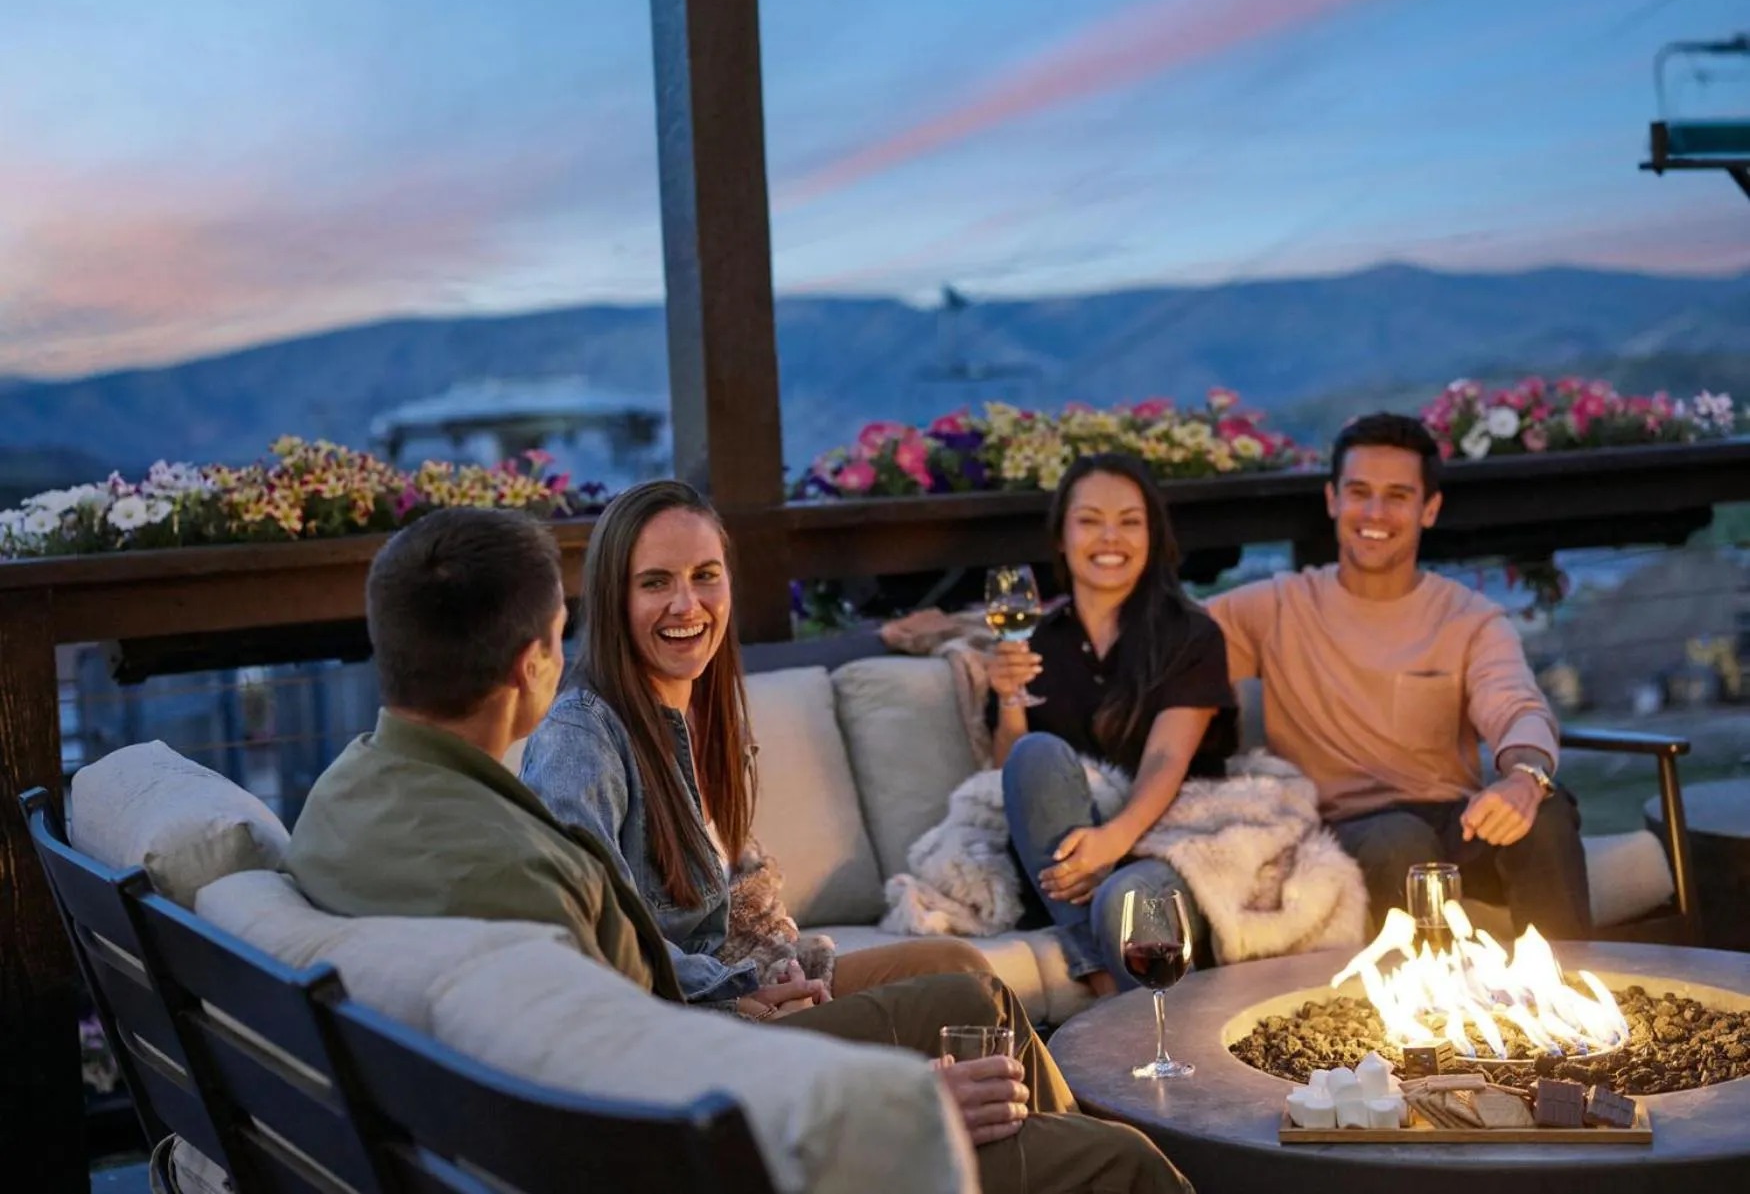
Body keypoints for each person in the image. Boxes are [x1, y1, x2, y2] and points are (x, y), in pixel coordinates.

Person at [287, 505, 1188, 1194]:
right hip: (719, 1130)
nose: (685, 604)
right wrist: (882, 1105)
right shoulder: (530, 852)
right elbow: (637, 1070)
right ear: (537, 659)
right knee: (1124, 1159)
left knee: (966, 989)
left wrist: (772, 992)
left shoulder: (342, 802)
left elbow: (620, 1019)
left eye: (706, 575)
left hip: (674, 1077)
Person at [521, 477, 993, 1014]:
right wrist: (739, 996)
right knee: (962, 1003)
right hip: (692, 1020)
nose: (687, 604)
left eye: (705, 576)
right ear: (614, 599)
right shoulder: (581, 737)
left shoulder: (706, 716)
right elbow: (589, 925)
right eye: (655, 583)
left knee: (963, 968)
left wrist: (779, 978)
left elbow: (736, 905)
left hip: (752, 986)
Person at [1206, 412, 1589, 938]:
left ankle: (1570, 998)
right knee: (1398, 838)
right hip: (1346, 829)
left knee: (1545, 813)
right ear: (1332, 499)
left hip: (1453, 821)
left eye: (1398, 496)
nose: (1375, 512)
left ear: (1428, 508)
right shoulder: (1274, 606)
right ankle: (1430, 1014)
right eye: (1359, 491)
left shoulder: (1469, 617)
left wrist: (1526, 779)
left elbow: (1515, 706)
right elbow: (1165, 641)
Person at [988, 454, 1238, 997]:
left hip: (1165, 845)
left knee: (1126, 900)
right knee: (1034, 753)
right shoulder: (1036, 638)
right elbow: (1010, 777)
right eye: (1089, 520)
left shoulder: (1190, 634)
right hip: (1068, 860)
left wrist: (1113, 840)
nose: (1110, 537)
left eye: (1129, 521)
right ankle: (1100, 976)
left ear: (1153, 536)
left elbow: (1167, 758)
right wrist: (1009, 694)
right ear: (1061, 536)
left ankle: (1116, 1005)